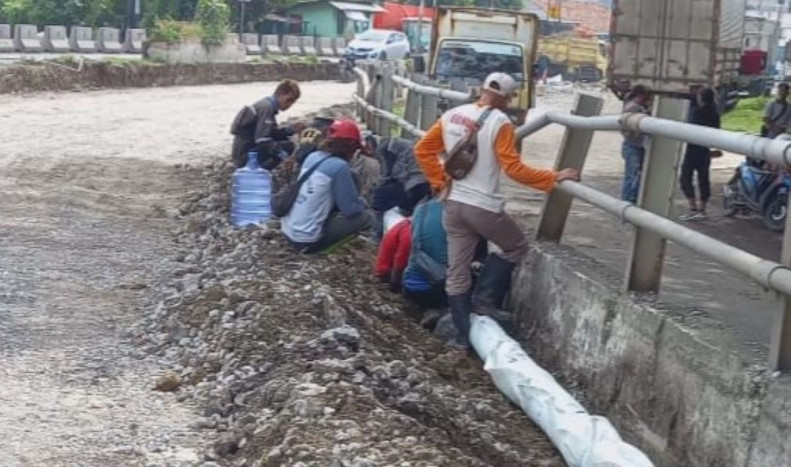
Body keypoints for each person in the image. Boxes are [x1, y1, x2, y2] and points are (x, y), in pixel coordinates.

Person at [414, 72, 580, 349]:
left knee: (457, 272)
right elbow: (514, 169)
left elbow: (423, 150)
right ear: (507, 98)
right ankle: (485, 303)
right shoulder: (501, 123)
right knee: (514, 246)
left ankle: (463, 337)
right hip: (482, 207)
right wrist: (553, 178)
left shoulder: (453, 114)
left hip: (452, 203)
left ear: (481, 89)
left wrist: (438, 180)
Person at [282, 119, 373, 253]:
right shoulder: (339, 167)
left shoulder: (313, 156)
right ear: (350, 147)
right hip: (306, 241)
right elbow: (351, 210)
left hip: (288, 231)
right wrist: (362, 202)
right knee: (367, 217)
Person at [230, 79, 302, 170]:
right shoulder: (267, 108)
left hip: (242, 152)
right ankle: (261, 172)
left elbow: (271, 133)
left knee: (283, 141)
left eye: (293, 102)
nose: (289, 104)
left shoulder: (266, 104)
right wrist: (284, 156)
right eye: (289, 100)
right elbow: (263, 141)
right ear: (280, 93)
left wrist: (291, 129)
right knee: (288, 146)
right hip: (246, 156)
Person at [371, 137, 432, 238]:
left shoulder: (396, 151)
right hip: (413, 183)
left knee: (380, 196)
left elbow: (390, 175)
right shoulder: (399, 149)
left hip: (417, 185)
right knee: (382, 193)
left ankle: (377, 232)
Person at [679, 88, 721, 221]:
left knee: (685, 177)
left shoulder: (696, 112)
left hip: (692, 149)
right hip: (705, 150)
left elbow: (689, 126)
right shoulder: (715, 114)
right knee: (703, 179)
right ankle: (703, 209)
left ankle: (692, 207)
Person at [620, 85, 651, 203]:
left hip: (633, 145)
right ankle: (629, 199)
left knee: (633, 174)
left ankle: (630, 199)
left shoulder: (632, 106)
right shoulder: (634, 108)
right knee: (632, 175)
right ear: (641, 95)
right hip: (634, 145)